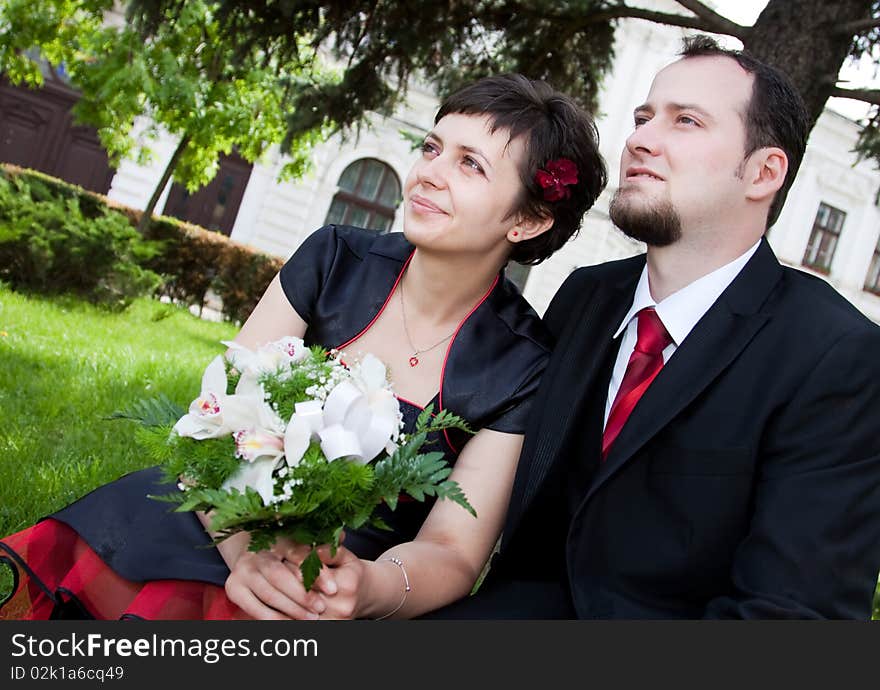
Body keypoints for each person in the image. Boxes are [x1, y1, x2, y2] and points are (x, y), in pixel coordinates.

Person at [0, 73, 607, 620]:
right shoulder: (333, 259)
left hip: (339, 584)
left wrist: (367, 588)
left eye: (470, 164)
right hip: (216, 521)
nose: (429, 172)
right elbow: (212, 431)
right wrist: (246, 553)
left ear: (526, 221)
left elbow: (453, 550)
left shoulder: (523, 366)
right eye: (431, 147)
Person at [427, 36, 880, 619]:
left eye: (685, 121)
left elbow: (790, 620)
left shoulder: (835, 357)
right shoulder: (586, 297)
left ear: (763, 172)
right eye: (643, 117)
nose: (640, 138)